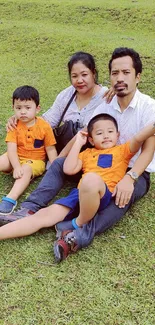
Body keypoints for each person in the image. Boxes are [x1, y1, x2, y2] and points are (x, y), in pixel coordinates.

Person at [52, 47, 155, 261]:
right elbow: (86, 133)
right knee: (61, 166)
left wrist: (130, 177)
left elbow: (148, 150)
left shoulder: (149, 107)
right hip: (103, 163)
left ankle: (78, 236)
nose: (120, 78)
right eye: (115, 73)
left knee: (121, 196)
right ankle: (32, 210)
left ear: (138, 77)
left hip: (135, 169)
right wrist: (62, 155)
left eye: (126, 73)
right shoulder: (106, 102)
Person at [0, 114, 154, 243]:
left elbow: (141, 136)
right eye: (99, 133)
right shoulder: (85, 154)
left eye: (110, 131)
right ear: (91, 140)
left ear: (117, 135)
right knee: (43, 215)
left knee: (91, 179)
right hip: (80, 194)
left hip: (103, 195)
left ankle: (77, 223)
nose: (106, 135)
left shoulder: (123, 150)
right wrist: (78, 143)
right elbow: (68, 168)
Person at [0, 51, 113, 223]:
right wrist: (22, 119)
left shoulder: (106, 97)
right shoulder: (67, 95)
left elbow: (88, 132)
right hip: (62, 152)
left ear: (94, 73)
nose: (79, 80)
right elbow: (47, 121)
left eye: (84, 74)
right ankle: (28, 208)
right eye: (74, 76)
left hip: (88, 157)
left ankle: (29, 206)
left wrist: (57, 162)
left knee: (59, 167)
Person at [0, 85, 57, 215]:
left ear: (37, 109)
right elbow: (11, 149)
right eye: (18, 108)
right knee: (2, 160)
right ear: (13, 108)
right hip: (16, 157)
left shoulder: (44, 126)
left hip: (35, 161)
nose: (23, 112)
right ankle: (17, 170)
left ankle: (10, 199)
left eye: (27, 108)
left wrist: (55, 168)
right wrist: (16, 166)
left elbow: (51, 149)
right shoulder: (14, 125)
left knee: (25, 170)